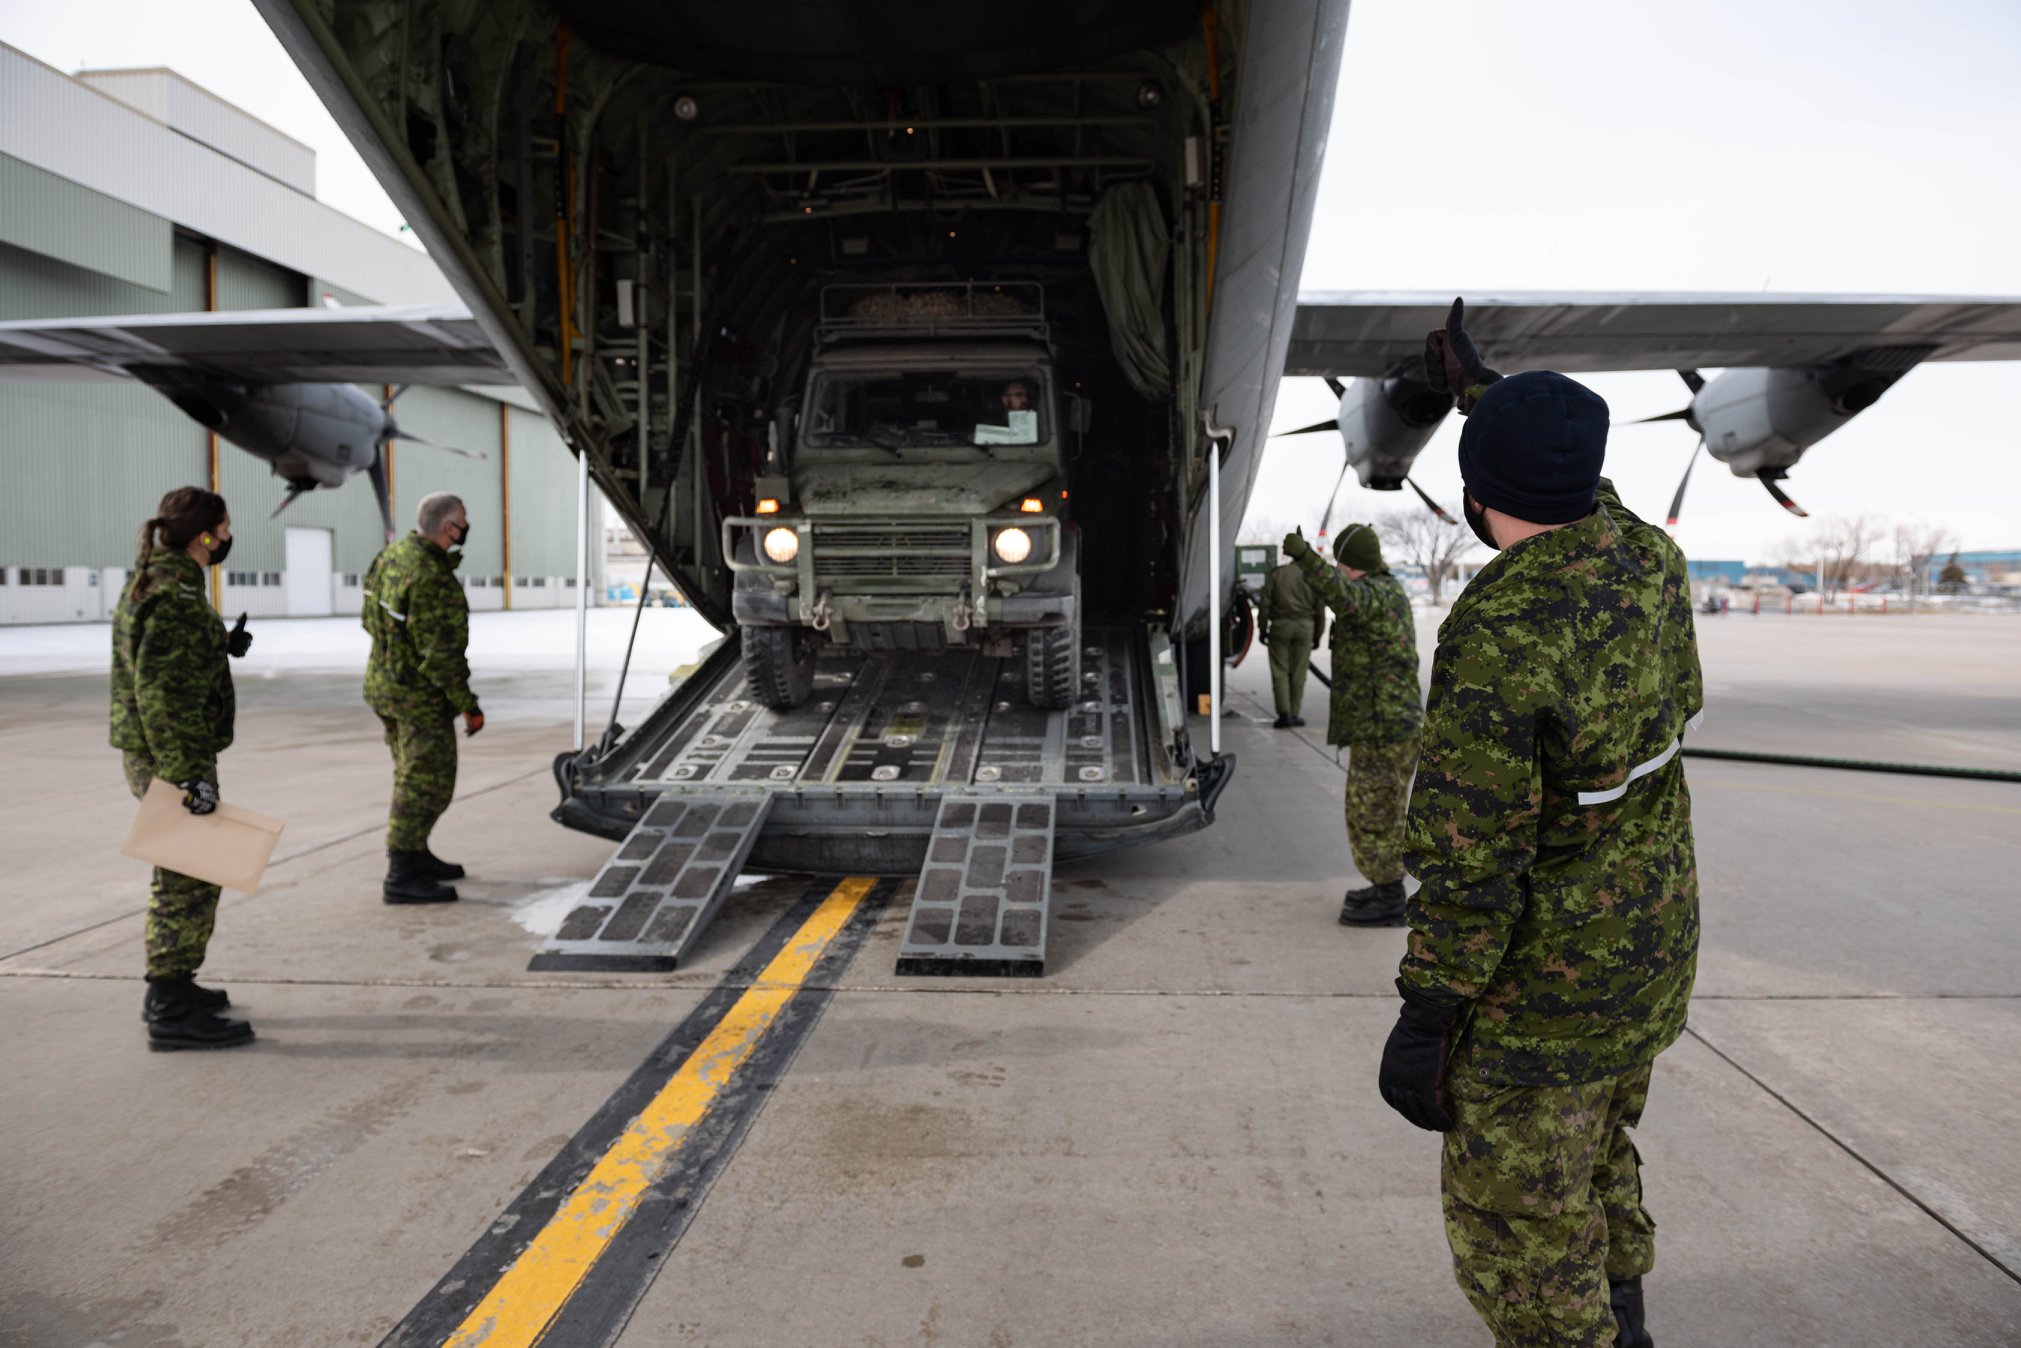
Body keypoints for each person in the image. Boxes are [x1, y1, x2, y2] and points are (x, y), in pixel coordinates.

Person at [1380, 304, 1701, 1348]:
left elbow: (1470, 863)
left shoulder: (1498, 629)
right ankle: (1627, 1324)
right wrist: (1487, 395)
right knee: (1599, 1157)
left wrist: (1427, 1011)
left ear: (1475, 494)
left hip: (1541, 1001)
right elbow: (1575, 477)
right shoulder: (1646, 557)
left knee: (1518, 1231)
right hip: (1646, 961)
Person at [111, 487, 256, 1050]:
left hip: (165, 751)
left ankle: (173, 988)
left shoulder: (163, 580)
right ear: (205, 535)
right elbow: (162, 695)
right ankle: (170, 1006)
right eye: (225, 528)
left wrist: (219, 643)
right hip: (173, 755)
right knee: (187, 875)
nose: (228, 537)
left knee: (189, 870)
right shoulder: (173, 594)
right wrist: (188, 778)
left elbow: (164, 662)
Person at [1281, 523, 1422, 925]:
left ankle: (1389, 896)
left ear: (1352, 562)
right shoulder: (1381, 591)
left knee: (1374, 814)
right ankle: (1384, 885)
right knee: (1375, 811)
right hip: (1380, 727)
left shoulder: (1377, 594)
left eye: (1341, 562)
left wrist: (1306, 557)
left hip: (1385, 729)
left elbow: (1344, 598)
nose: (1338, 568)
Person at [363, 491, 483, 903]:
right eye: (463, 521)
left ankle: (416, 855)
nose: (465, 527)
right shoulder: (432, 576)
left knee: (409, 774)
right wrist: (468, 705)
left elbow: (369, 619)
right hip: (418, 699)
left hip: (385, 686)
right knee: (426, 784)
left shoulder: (391, 556)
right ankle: (401, 874)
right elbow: (442, 656)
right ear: (449, 528)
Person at [1256, 549, 1327, 728]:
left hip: (1280, 626)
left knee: (1280, 671)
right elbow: (1320, 610)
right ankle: (1295, 714)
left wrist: (1262, 629)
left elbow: (1264, 604)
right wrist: (1318, 635)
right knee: (1299, 673)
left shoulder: (1278, 574)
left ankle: (1284, 714)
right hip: (1305, 628)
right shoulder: (1313, 576)